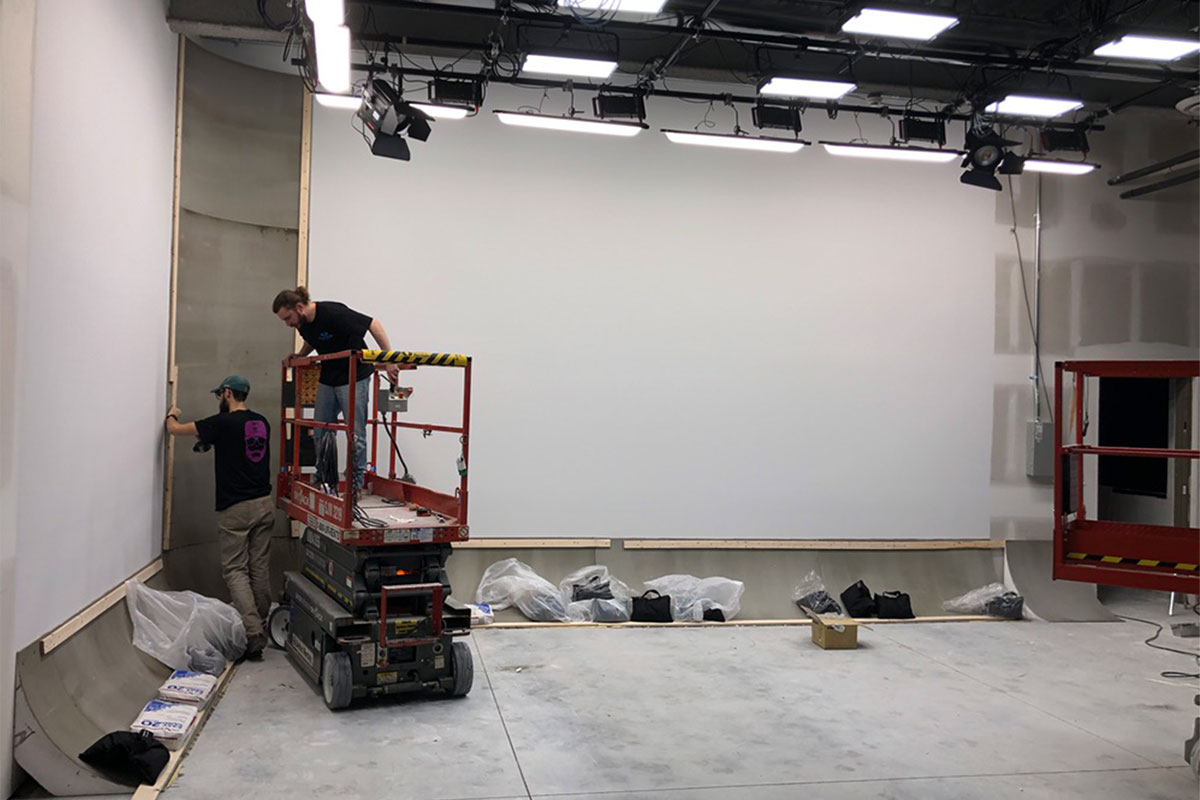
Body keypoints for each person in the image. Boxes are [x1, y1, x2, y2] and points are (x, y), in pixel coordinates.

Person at [165, 375, 274, 660]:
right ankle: (261, 621)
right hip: (264, 503)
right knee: (258, 567)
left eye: (219, 396)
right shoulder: (261, 421)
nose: (219, 401)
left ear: (227, 393)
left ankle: (253, 633)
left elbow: (175, 430)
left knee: (235, 569)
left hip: (236, 508)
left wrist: (171, 414)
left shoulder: (221, 423)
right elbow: (240, 446)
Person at [272, 286, 399, 491]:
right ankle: (323, 474)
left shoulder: (334, 313)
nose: (288, 324)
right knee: (321, 429)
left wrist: (390, 358)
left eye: (288, 318)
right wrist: (300, 355)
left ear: (299, 307)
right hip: (329, 377)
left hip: (354, 376)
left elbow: (373, 324)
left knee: (355, 433)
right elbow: (312, 339)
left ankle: (355, 482)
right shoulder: (302, 323)